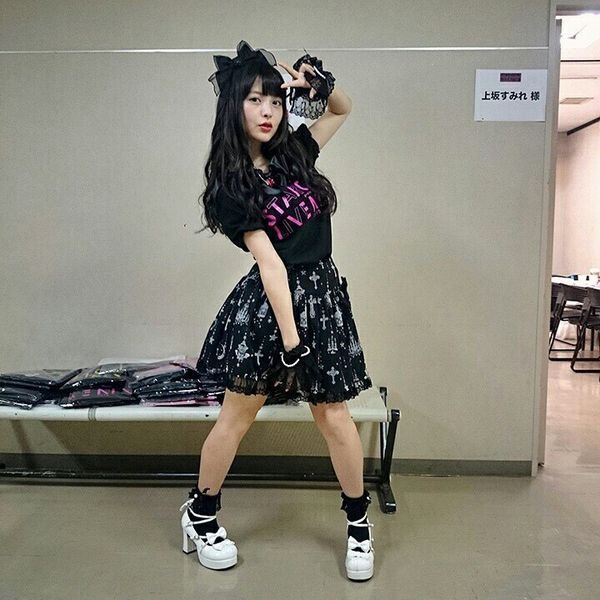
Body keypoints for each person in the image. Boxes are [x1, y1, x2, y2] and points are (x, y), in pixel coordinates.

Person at [180, 40, 375, 581]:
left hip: (321, 296)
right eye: (254, 100)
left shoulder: (295, 154)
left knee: (334, 416)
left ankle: (359, 526)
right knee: (237, 417)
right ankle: (200, 513)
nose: (267, 111)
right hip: (272, 306)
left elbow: (342, 109)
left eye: (274, 100)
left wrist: (320, 85)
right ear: (234, 107)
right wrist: (292, 342)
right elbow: (269, 264)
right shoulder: (231, 187)